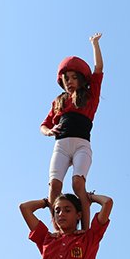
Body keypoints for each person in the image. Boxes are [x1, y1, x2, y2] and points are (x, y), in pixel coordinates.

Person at [41, 33, 103, 230]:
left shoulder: (89, 96)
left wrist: (94, 45)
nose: (69, 81)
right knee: (54, 186)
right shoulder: (59, 101)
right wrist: (49, 131)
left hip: (81, 144)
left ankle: (84, 229)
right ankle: (57, 229)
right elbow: (43, 125)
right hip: (61, 144)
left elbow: (99, 69)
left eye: (74, 78)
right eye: (66, 78)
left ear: (81, 79)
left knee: (78, 184)